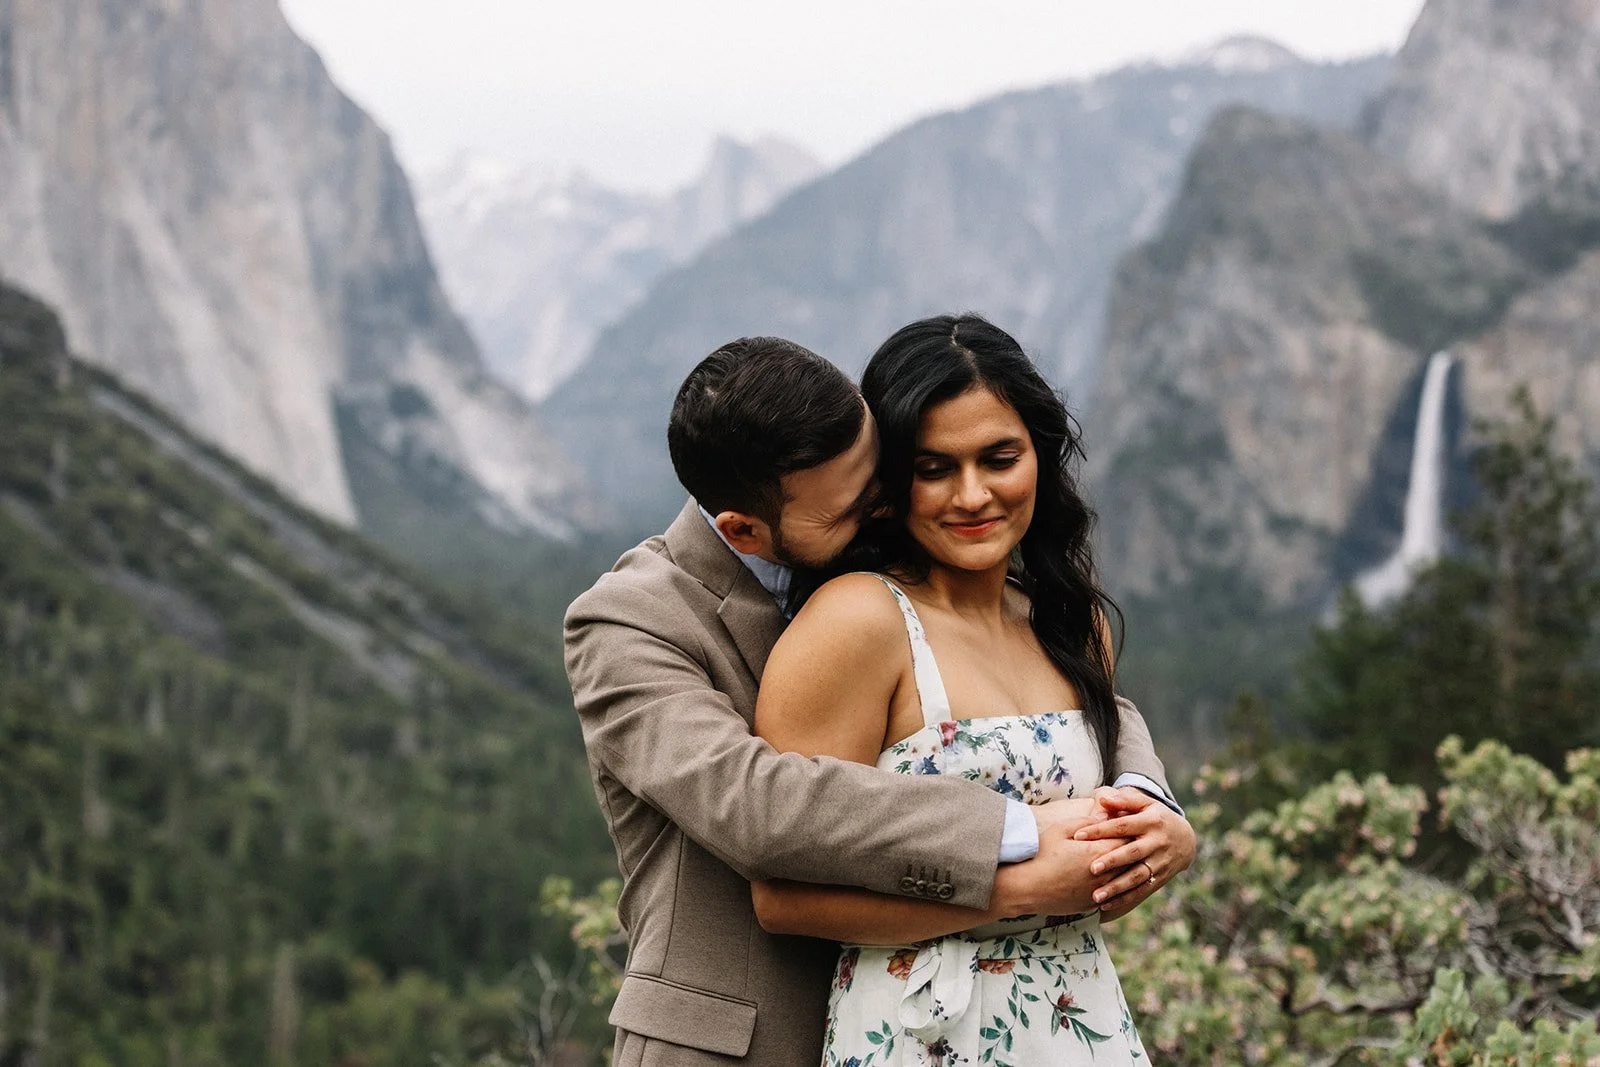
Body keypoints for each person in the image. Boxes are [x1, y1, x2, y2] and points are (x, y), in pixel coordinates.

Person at [564, 335, 1192, 1066]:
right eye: (860, 507)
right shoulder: (632, 623)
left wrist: (1150, 801)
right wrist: (1019, 838)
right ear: (744, 529)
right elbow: (758, 806)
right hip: (740, 1040)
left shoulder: (980, 595)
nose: (891, 506)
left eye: (885, 473)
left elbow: (1083, 699)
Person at [751, 315, 1183, 1063]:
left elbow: (1103, 834)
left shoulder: (1070, 625)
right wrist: (1017, 888)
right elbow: (783, 896)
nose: (974, 494)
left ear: (1038, 458)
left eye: (999, 457)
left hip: (1081, 1020)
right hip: (921, 1032)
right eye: (934, 468)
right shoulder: (857, 623)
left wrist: (1161, 836)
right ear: (889, 484)